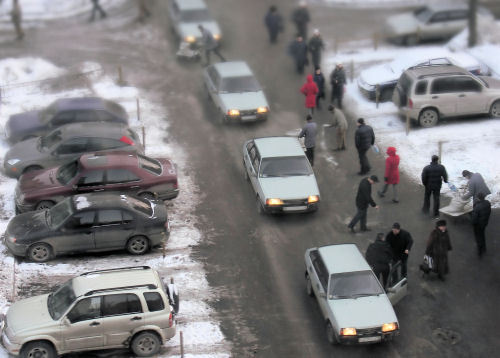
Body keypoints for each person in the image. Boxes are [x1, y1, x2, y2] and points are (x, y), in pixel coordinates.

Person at [471, 192, 491, 257]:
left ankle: (480, 251)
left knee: (478, 237)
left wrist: (473, 224)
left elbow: (474, 218)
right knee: (482, 235)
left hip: (478, 225)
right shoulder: (487, 203)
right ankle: (484, 248)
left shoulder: (477, 207)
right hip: (484, 223)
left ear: (478, 198)